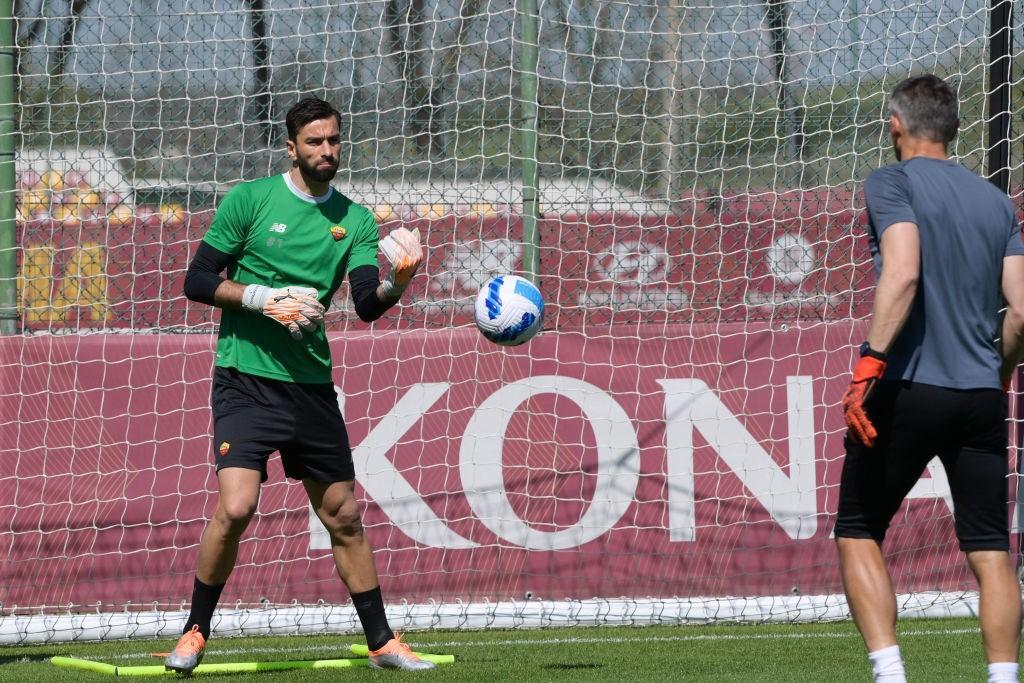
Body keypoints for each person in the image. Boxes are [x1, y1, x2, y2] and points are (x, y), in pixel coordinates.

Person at [166, 97, 434, 673]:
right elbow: (195, 279)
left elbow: (366, 305)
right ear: (291, 147)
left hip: (311, 387)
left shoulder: (356, 220)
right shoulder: (251, 201)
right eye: (314, 143)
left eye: (334, 141)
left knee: (343, 515)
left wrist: (398, 283)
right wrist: (264, 299)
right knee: (237, 508)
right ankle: (194, 630)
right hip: (245, 379)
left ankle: (383, 642)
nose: (327, 152)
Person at [836, 73, 1024, 683]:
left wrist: (869, 363)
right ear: (954, 128)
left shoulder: (891, 181)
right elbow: (1021, 311)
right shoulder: (996, 200)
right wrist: (997, 374)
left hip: (909, 386)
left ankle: (891, 676)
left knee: (859, 529)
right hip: (979, 397)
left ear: (895, 124)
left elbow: (903, 273)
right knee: (991, 549)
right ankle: (1003, 677)